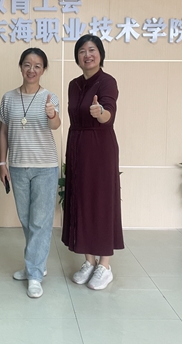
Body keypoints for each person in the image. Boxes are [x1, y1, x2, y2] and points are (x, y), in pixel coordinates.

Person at [61, 34, 124, 291]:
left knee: (101, 201)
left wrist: (101, 113)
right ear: (77, 57)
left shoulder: (107, 81)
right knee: (81, 200)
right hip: (77, 145)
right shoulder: (74, 84)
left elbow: (109, 113)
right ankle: (89, 260)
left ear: (100, 54)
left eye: (92, 50)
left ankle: (105, 265)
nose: (87, 55)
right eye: (82, 51)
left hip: (100, 148)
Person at [0, 48, 61, 299]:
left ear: (43, 69)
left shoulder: (49, 97)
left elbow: (55, 125)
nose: (31, 70)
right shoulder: (8, 98)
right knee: (26, 220)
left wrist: (52, 114)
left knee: (40, 222)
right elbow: (3, 131)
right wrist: (2, 163)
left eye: (37, 66)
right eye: (27, 64)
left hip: (45, 167)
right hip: (17, 166)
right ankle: (35, 264)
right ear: (20, 66)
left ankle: (34, 274)